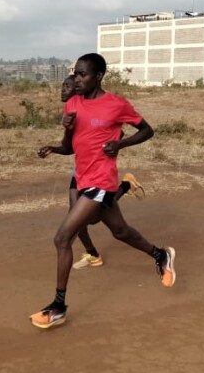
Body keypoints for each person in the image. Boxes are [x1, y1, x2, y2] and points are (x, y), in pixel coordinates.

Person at [30, 53, 176, 329]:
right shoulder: (73, 102)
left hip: (101, 180)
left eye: (82, 74)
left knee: (63, 237)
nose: (77, 79)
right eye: (75, 74)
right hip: (83, 178)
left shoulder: (116, 104)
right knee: (120, 231)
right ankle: (161, 255)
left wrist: (120, 145)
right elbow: (70, 147)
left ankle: (58, 306)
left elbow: (147, 131)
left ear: (98, 76)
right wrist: (61, 137)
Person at [39, 75, 146, 270]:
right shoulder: (72, 110)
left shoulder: (96, 107)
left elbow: (117, 133)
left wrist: (115, 144)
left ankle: (93, 253)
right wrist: (54, 148)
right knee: (86, 217)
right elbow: (70, 147)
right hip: (81, 172)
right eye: (63, 85)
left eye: (68, 86)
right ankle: (93, 253)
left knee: (84, 218)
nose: (63, 90)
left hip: (98, 174)